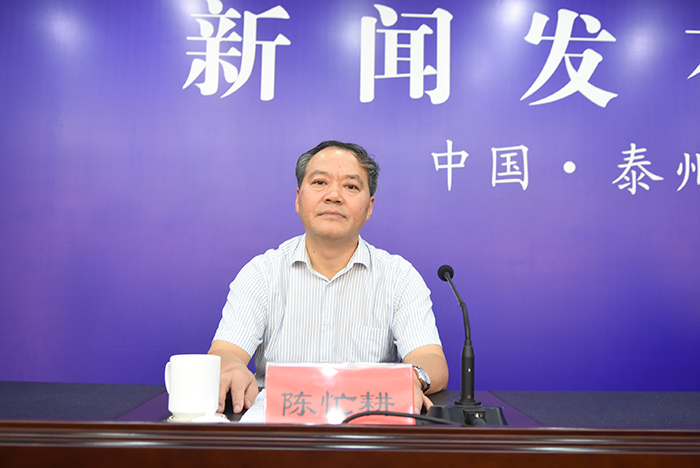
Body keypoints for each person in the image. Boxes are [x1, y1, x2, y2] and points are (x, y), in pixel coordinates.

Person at [208, 140, 448, 415]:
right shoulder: (262, 273)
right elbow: (225, 352)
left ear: (369, 207)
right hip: (279, 427)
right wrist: (231, 367)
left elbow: (431, 359)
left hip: (367, 426)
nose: (334, 195)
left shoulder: (398, 277)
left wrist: (413, 378)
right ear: (298, 199)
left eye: (351, 186)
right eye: (320, 182)